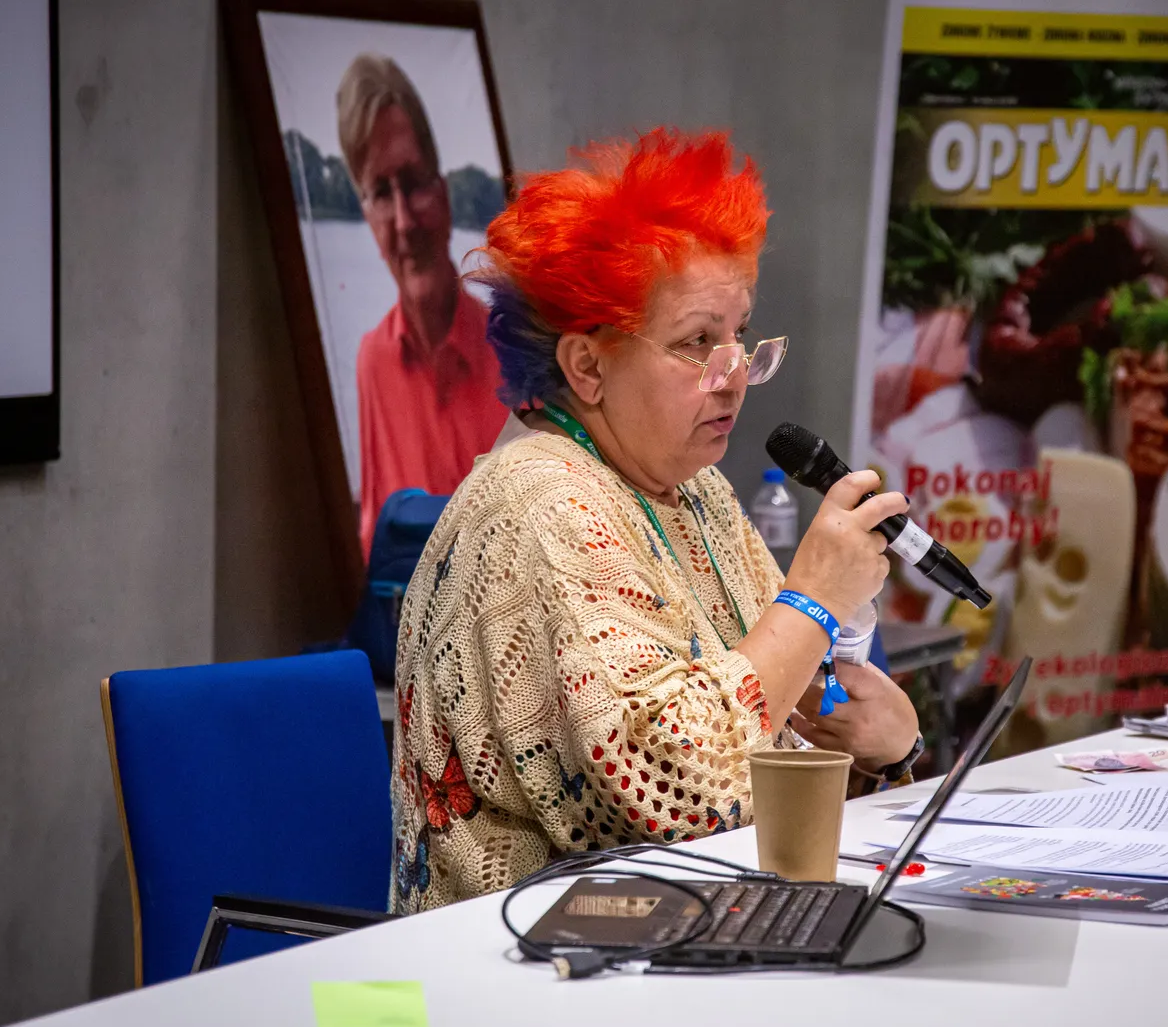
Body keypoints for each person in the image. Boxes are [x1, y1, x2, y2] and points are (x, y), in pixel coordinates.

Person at [388, 129, 924, 910]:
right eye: (698, 342)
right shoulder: (539, 505)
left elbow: (769, 734)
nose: (734, 374)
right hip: (531, 952)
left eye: (740, 336)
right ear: (587, 366)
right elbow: (680, 795)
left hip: (690, 923)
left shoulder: (693, 489)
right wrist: (812, 598)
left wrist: (885, 746)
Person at [336, 55, 508, 559]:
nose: (405, 221)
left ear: (444, 194)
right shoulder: (373, 363)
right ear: (369, 219)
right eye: (380, 193)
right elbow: (379, 547)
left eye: (413, 184)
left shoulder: (515, 354)